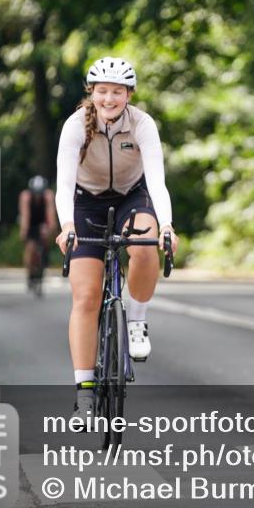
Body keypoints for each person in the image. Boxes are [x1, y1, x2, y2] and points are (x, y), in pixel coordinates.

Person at [55, 57, 178, 425]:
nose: (109, 98)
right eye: (103, 91)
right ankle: (85, 394)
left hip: (131, 196)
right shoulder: (76, 126)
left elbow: (156, 181)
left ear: (129, 94)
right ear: (91, 92)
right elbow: (63, 184)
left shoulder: (143, 124)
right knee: (87, 296)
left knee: (145, 242)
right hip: (85, 203)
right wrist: (66, 224)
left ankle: (137, 320)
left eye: (117, 92)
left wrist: (168, 224)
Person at [19, 175, 58, 290]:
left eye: (40, 192)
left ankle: (43, 260)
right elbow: (25, 216)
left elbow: (51, 214)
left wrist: (51, 230)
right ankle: (29, 272)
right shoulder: (25, 196)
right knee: (30, 248)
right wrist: (24, 231)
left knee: (44, 240)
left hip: (42, 222)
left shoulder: (48, 195)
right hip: (30, 222)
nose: (37, 195)